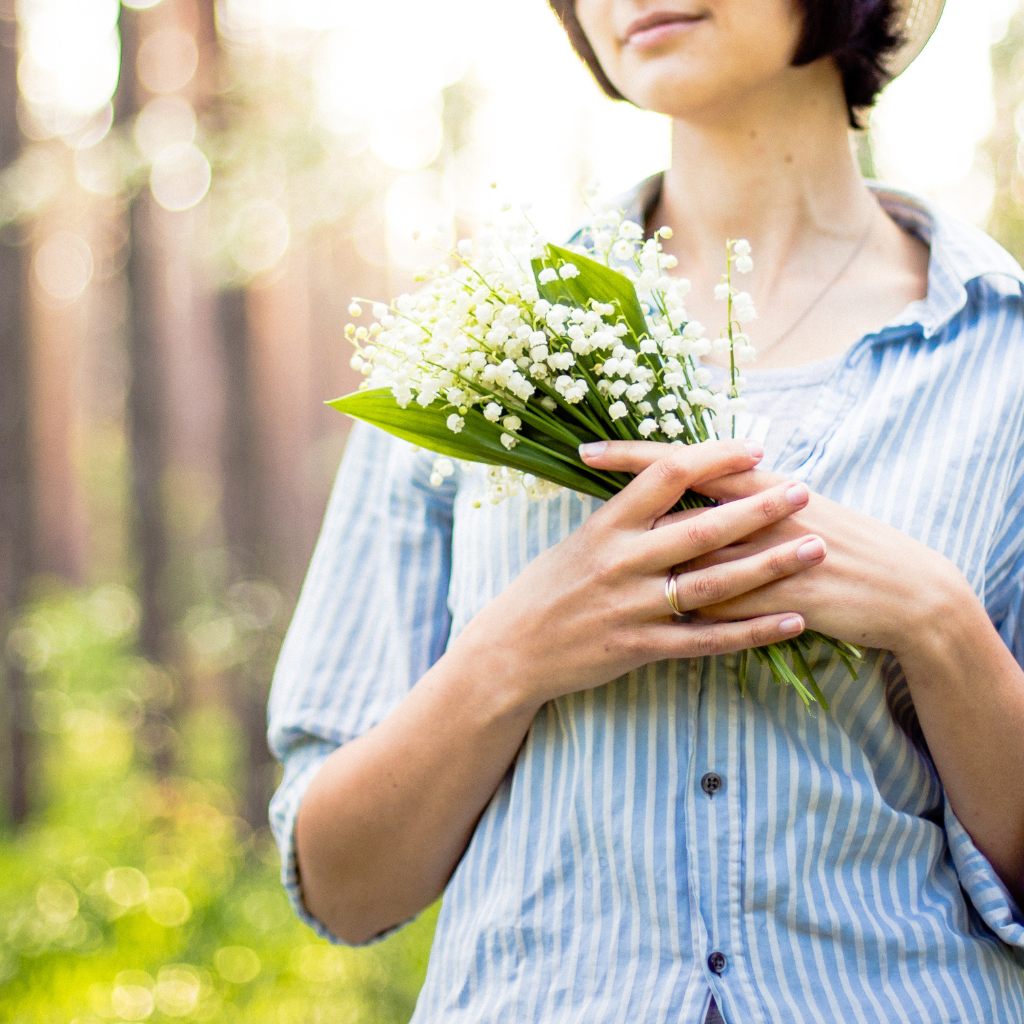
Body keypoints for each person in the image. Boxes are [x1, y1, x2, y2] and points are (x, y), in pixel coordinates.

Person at [268, 0, 1024, 1020]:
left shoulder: (1001, 357)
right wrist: (511, 654)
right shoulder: (475, 344)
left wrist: (941, 625)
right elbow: (343, 884)